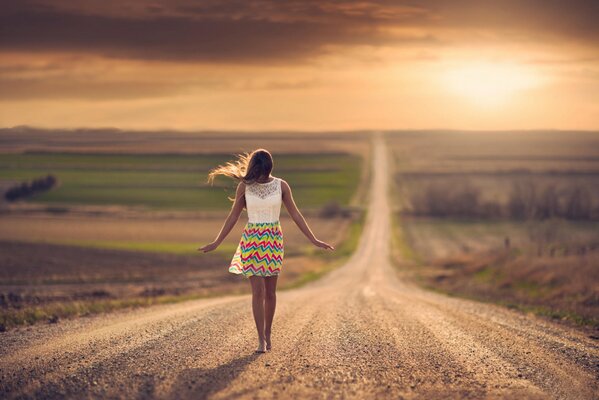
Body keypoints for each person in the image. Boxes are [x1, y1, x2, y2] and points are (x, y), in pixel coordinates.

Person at [198, 148, 335, 353]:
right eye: (257, 170)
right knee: (258, 292)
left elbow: (296, 215)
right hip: (252, 240)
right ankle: (261, 339)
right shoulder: (244, 187)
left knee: (270, 293)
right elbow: (233, 217)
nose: (260, 175)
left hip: (273, 240)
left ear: (268, 167)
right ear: (254, 168)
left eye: (263, 171)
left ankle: (268, 333)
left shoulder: (282, 186)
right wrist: (216, 242)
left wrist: (314, 239)